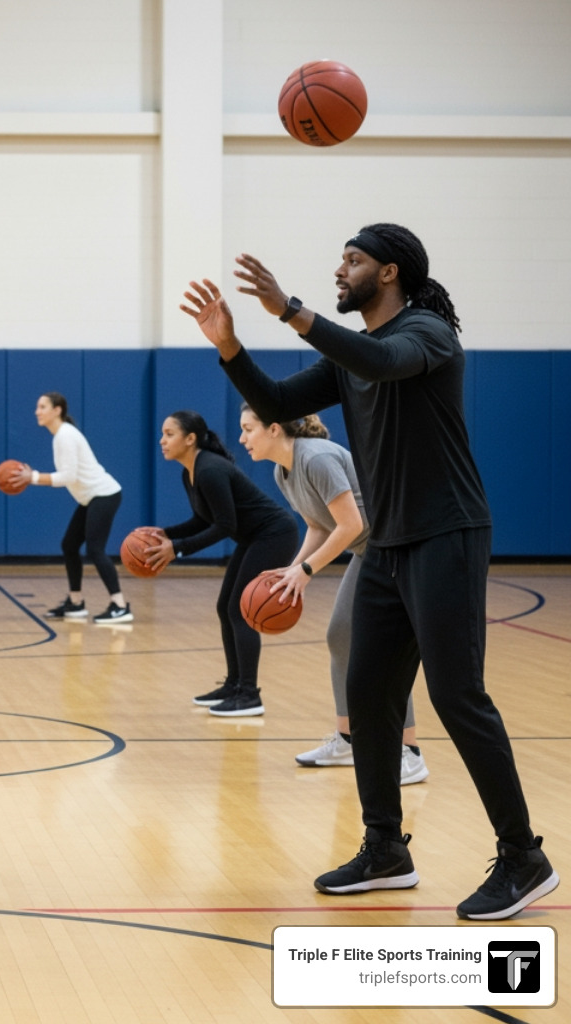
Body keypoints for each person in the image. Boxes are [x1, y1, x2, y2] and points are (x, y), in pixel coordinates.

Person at [180, 221, 557, 919]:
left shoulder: (428, 335)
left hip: (447, 532)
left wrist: (292, 311)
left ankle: (523, 857)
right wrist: (230, 347)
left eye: (352, 260)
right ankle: (385, 847)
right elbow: (280, 405)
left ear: (388, 273)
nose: (340, 269)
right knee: (368, 688)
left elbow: (382, 362)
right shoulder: (350, 356)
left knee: (456, 694)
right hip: (386, 541)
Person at [237, 405, 427, 785]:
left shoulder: (317, 458)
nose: (242, 439)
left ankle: (409, 752)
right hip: (369, 549)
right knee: (340, 637)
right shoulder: (283, 471)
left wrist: (306, 573)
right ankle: (347, 740)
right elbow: (318, 526)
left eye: (248, 429)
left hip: (398, 544)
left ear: (274, 429)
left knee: (386, 650)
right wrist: (294, 566)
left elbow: (351, 523)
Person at [144, 410, 299, 717]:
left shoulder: (210, 470)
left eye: (169, 434)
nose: (162, 440)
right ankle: (234, 684)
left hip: (274, 534)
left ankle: (249, 695)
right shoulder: (190, 471)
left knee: (242, 611)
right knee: (225, 607)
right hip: (255, 536)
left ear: (190, 439)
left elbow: (224, 525)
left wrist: (178, 548)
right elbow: (204, 519)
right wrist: (166, 534)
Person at [17, 392, 132, 624]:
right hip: (91, 498)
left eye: (42, 407)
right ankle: (76, 602)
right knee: (70, 545)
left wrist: (33, 477)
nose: (37, 411)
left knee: (95, 549)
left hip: (104, 494)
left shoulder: (65, 436)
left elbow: (66, 477)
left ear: (57, 410)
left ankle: (120, 605)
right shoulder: (60, 436)